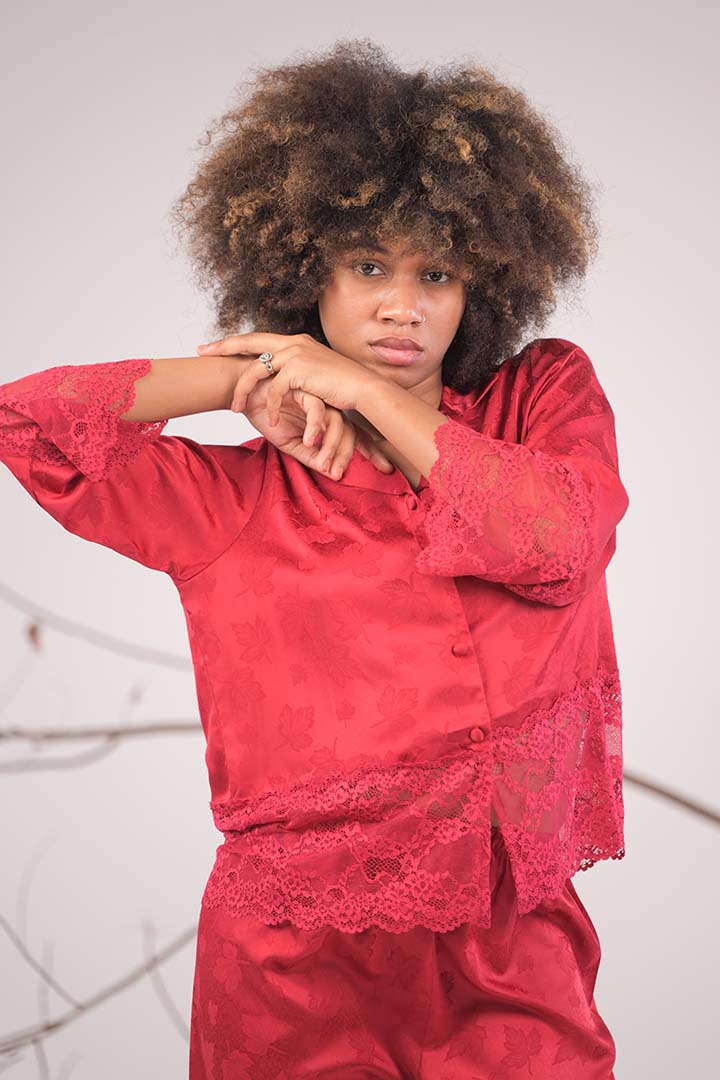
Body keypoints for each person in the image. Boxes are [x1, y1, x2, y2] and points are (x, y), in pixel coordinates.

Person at [0, 38, 629, 1079]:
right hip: (296, 971)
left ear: (481, 283)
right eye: (369, 266)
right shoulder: (232, 500)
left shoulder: (540, 402)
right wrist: (236, 379)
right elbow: (29, 426)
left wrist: (368, 393)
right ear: (307, 271)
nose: (401, 305)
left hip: (515, 952)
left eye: (436, 273)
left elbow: (556, 539)